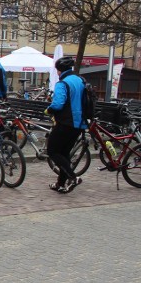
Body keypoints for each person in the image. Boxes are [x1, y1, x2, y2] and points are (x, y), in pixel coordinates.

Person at [45, 57, 88, 194]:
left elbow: (58, 104)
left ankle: (73, 177)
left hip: (66, 122)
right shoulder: (80, 80)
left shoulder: (62, 83)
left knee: (52, 150)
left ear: (59, 70)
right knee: (64, 153)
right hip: (79, 123)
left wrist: (48, 110)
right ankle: (60, 184)